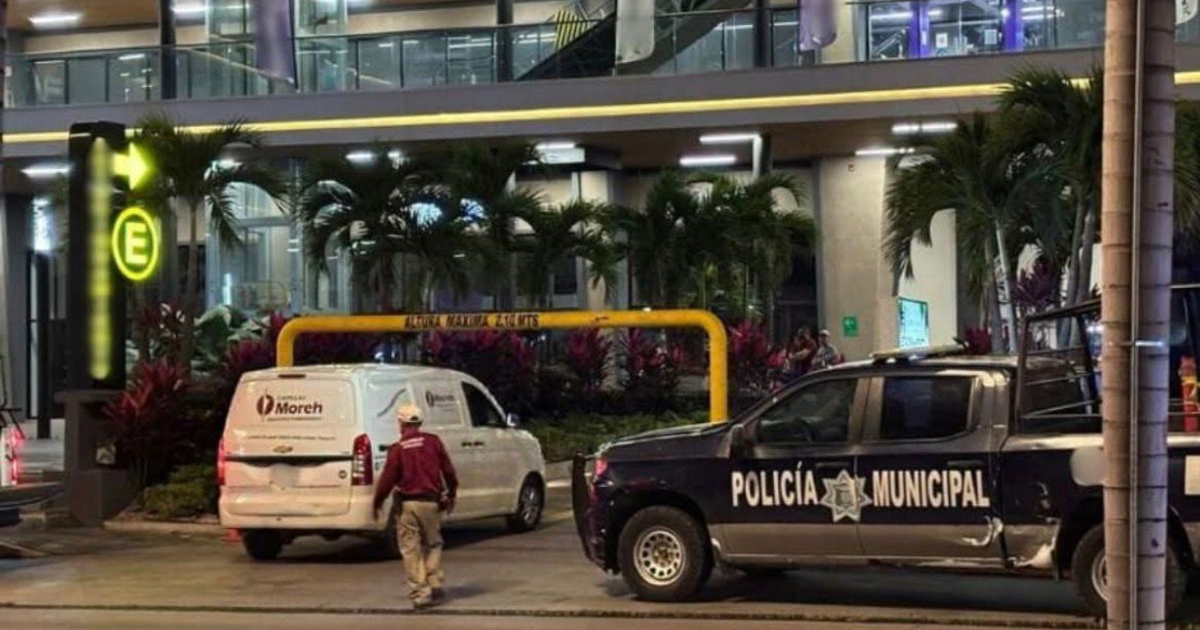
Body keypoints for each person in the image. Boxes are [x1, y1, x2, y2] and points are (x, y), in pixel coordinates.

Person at [373, 403, 459, 609]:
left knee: (411, 549)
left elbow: (388, 479)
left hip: (407, 504)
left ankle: (421, 593)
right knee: (434, 543)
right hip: (431, 501)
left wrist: (377, 501)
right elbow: (448, 471)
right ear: (419, 421)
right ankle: (434, 580)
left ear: (401, 423)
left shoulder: (398, 449)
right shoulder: (433, 442)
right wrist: (452, 493)